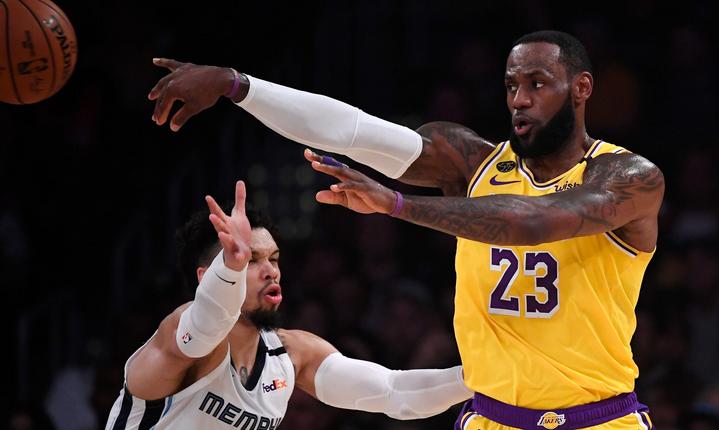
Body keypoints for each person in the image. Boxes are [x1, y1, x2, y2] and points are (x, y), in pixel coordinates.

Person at [149, 30, 664, 429]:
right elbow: (351, 130)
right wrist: (238, 86)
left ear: (581, 89)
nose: (519, 100)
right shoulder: (469, 163)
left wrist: (396, 205)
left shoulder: (628, 179)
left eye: (536, 84)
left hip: (600, 417)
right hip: (492, 417)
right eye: (511, 86)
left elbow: (531, 223)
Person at [104, 181, 471, 429]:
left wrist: (479, 379)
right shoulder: (180, 335)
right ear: (208, 275)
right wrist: (231, 267)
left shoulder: (292, 353)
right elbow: (206, 323)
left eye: (274, 259)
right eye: (251, 260)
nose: (269, 271)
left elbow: (395, 393)